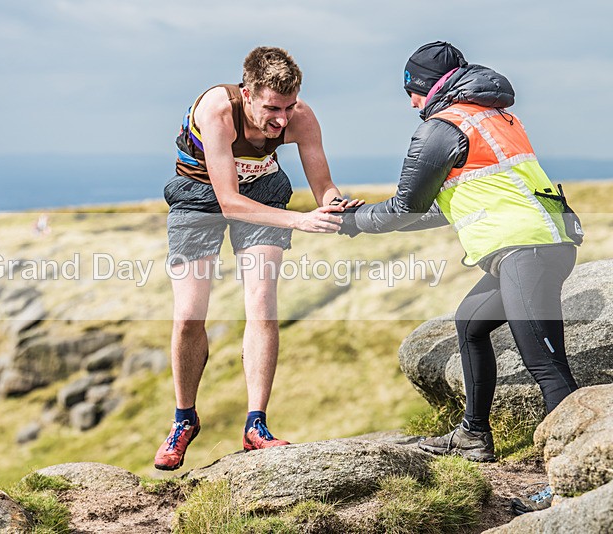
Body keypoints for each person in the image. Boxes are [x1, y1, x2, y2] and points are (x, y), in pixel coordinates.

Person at [338, 41, 580, 465]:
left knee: (546, 366)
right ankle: (473, 434)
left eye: (411, 90)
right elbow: (444, 206)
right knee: (470, 322)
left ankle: (574, 474)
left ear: (428, 86)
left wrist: (353, 221)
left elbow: (403, 208)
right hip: (541, 244)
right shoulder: (495, 115)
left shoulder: (442, 127)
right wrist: (361, 219)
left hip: (527, 251)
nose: (412, 102)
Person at [155, 46, 361, 470]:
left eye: (289, 106)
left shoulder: (300, 117)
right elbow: (228, 202)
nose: (282, 119)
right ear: (247, 94)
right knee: (189, 315)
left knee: (262, 306)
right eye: (272, 107)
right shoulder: (217, 111)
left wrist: (336, 203)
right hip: (200, 197)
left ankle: (256, 425)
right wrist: (299, 221)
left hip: (265, 190)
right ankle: (184, 419)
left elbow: (324, 185)